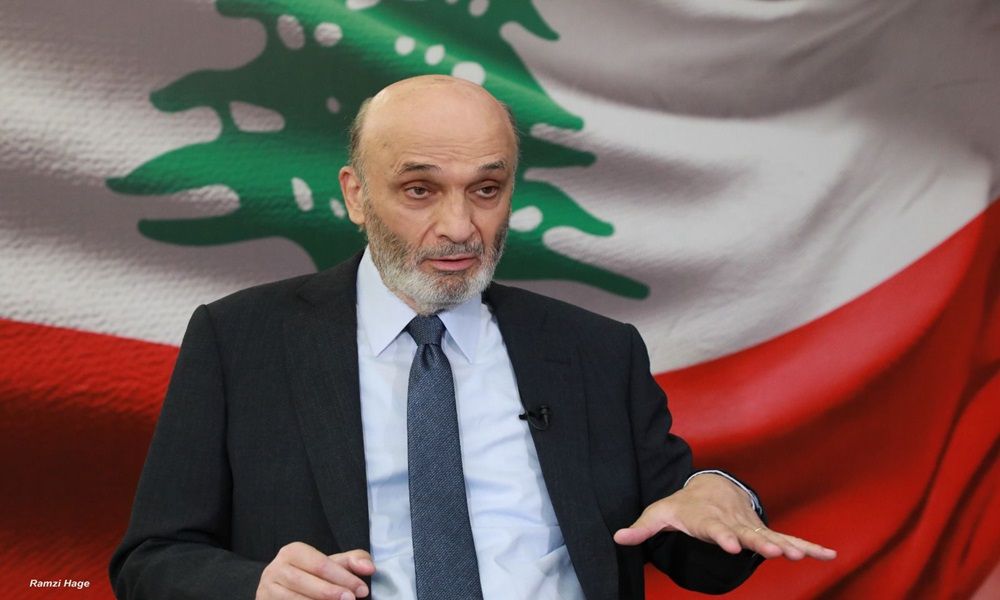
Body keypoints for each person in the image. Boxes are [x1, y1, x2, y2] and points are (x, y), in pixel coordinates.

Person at [110, 75, 835, 600]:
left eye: (486, 190)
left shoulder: (596, 352)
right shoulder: (240, 340)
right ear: (356, 194)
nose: (460, 227)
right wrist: (255, 586)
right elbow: (151, 560)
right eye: (420, 190)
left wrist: (720, 495)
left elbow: (695, 550)